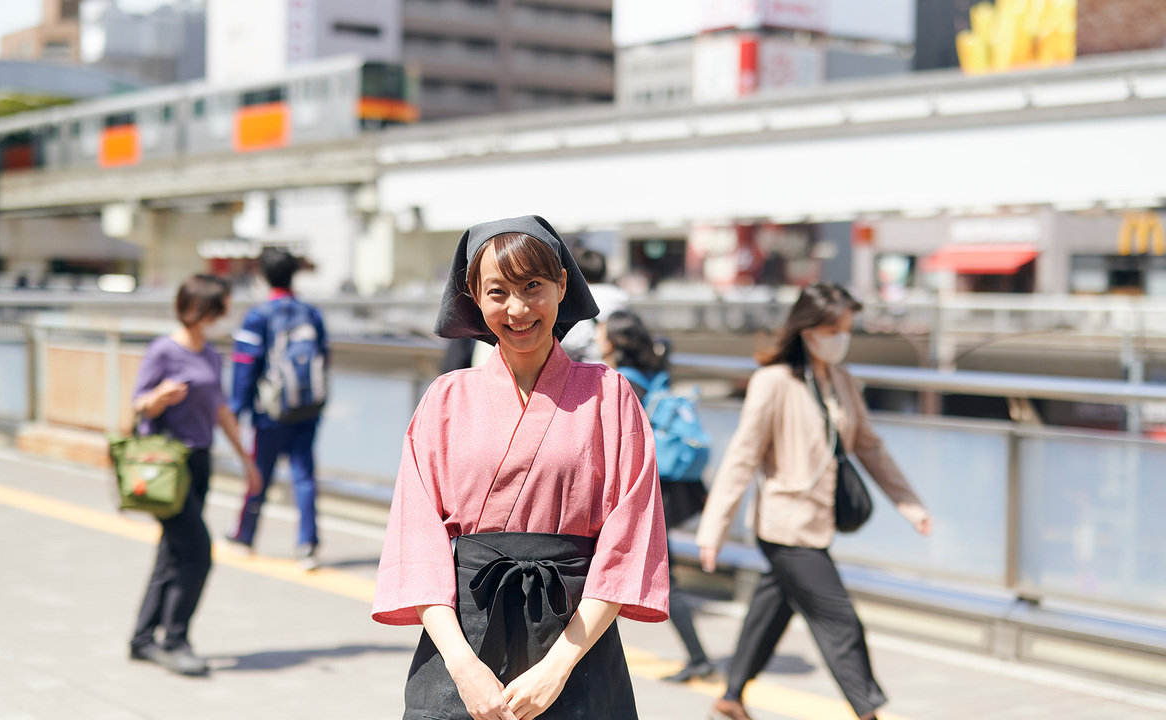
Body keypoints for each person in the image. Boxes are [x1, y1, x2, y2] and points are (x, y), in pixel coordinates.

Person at [372, 216, 670, 720]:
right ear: (474, 297)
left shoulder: (611, 395)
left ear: (561, 285)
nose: (517, 309)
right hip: (461, 642)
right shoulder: (445, 399)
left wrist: (558, 667)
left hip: (577, 644)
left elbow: (628, 542)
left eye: (533, 286)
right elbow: (417, 543)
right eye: (497, 291)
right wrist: (464, 669)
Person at [695, 284, 933, 720]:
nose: (841, 337)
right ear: (807, 329)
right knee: (840, 620)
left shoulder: (842, 381)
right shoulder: (774, 382)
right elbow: (742, 458)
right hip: (784, 526)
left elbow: (870, 447)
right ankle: (868, 711)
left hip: (817, 522)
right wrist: (714, 530)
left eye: (846, 328)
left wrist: (909, 504)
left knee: (774, 605)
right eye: (833, 328)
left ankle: (730, 699)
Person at [129, 275, 262, 677]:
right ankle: (174, 640)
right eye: (222, 305)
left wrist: (247, 461)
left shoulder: (207, 353)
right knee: (198, 554)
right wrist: (159, 397)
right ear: (204, 308)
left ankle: (142, 639)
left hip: (198, 463)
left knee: (172, 552)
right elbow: (138, 406)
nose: (227, 313)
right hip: (166, 465)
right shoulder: (163, 351)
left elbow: (220, 409)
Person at [598, 310, 714, 683]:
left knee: (666, 576)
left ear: (614, 342)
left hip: (639, 492)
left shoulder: (620, 384)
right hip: (665, 487)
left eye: (602, 334)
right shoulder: (655, 377)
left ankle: (699, 658)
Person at [226, 248, 330, 570]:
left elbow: (245, 365)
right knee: (304, 476)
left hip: (269, 412)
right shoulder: (311, 313)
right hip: (307, 407)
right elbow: (325, 357)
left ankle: (244, 535)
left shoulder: (258, 316)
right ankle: (307, 544)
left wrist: (237, 409)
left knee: (260, 472)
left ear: (262, 275)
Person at [560, 247, 629, 362]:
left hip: (585, 368)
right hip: (615, 366)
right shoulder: (621, 298)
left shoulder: (575, 297)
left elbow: (570, 342)